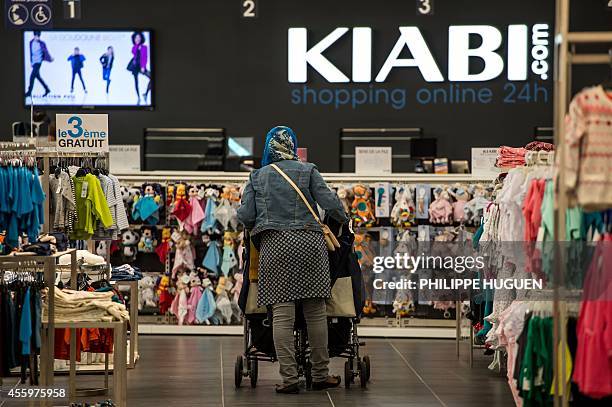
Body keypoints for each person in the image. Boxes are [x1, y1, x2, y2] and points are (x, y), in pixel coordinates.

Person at [237, 126, 348, 394]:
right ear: (293, 146)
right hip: (310, 245)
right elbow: (330, 203)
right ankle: (320, 374)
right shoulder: (308, 170)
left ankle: (289, 379)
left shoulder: (256, 177)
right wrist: (343, 220)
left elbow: (246, 216)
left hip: (275, 247)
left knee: (282, 315)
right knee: (315, 312)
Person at [25, 30, 53, 98]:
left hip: (38, 62)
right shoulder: (31, 42)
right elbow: (31, 52)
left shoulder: (42, 43)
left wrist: (50, 58)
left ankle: (29, 92)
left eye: (38, 36)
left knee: (32, 77)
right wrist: (31, 62)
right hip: (34, 62)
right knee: (38, 77)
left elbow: (46, 51)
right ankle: (47, 89)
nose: (37, 38)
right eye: (36, 36)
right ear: (34, 36)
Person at [129, 32, 151, 104]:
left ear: (141, 38)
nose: (137, 39)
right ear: (134, 39)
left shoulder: (144, 47)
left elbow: (145, 57)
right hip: (135, 66)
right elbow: (134, 52)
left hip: (141, 66)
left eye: (139, 37)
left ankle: (145, 94)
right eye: (136, 38)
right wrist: (137, 46)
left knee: (151, 77)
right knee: (136, 82)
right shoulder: (134, 47)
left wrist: (143, 67)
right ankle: (138, 97)